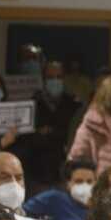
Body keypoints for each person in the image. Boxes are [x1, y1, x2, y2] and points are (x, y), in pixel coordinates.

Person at [24, 61, 83, 194]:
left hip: (66, 171)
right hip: (38, 172)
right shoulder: (33, 103)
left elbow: (74, 134)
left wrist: (49, 132)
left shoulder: (74, 104)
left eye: (58, 77)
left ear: (64, 78)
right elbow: (29, 137)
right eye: (50, 77)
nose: (54, 81)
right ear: (44, 79)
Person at [23, 157, 97, 220]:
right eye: (79, 181)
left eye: (89, 182)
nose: (85, 186)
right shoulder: (53, 198)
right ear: (68, 183)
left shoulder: (100, 209)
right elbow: (21, 214)